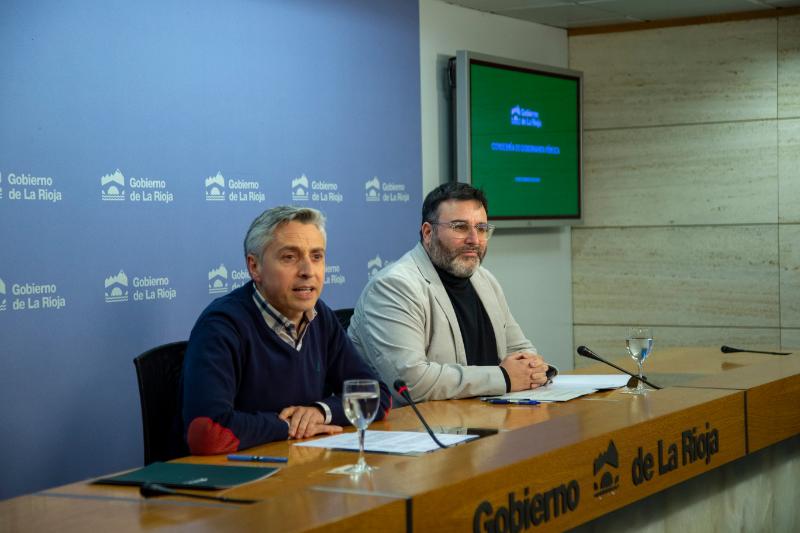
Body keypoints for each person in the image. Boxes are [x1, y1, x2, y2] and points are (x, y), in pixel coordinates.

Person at [182, 206, 391, 455]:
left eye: (316, 256)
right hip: (228, 480)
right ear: (254, 267)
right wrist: (288, 426)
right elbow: (207, 432)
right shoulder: (222, 325)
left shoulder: (320, 316)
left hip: (295, 467)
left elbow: (377, 396)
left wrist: (319, 412)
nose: (307, 271)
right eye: (289, 257)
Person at [349, 182, 556, 403]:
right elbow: (411, 382)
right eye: (460, 227)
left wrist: (535, 368)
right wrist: (504, 376)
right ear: (428, 233)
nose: (474, 240)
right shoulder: (394, 286)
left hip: (481, 420)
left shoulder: (485, 279)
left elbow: (519, 349)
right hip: (416, 431)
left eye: (482, 229)